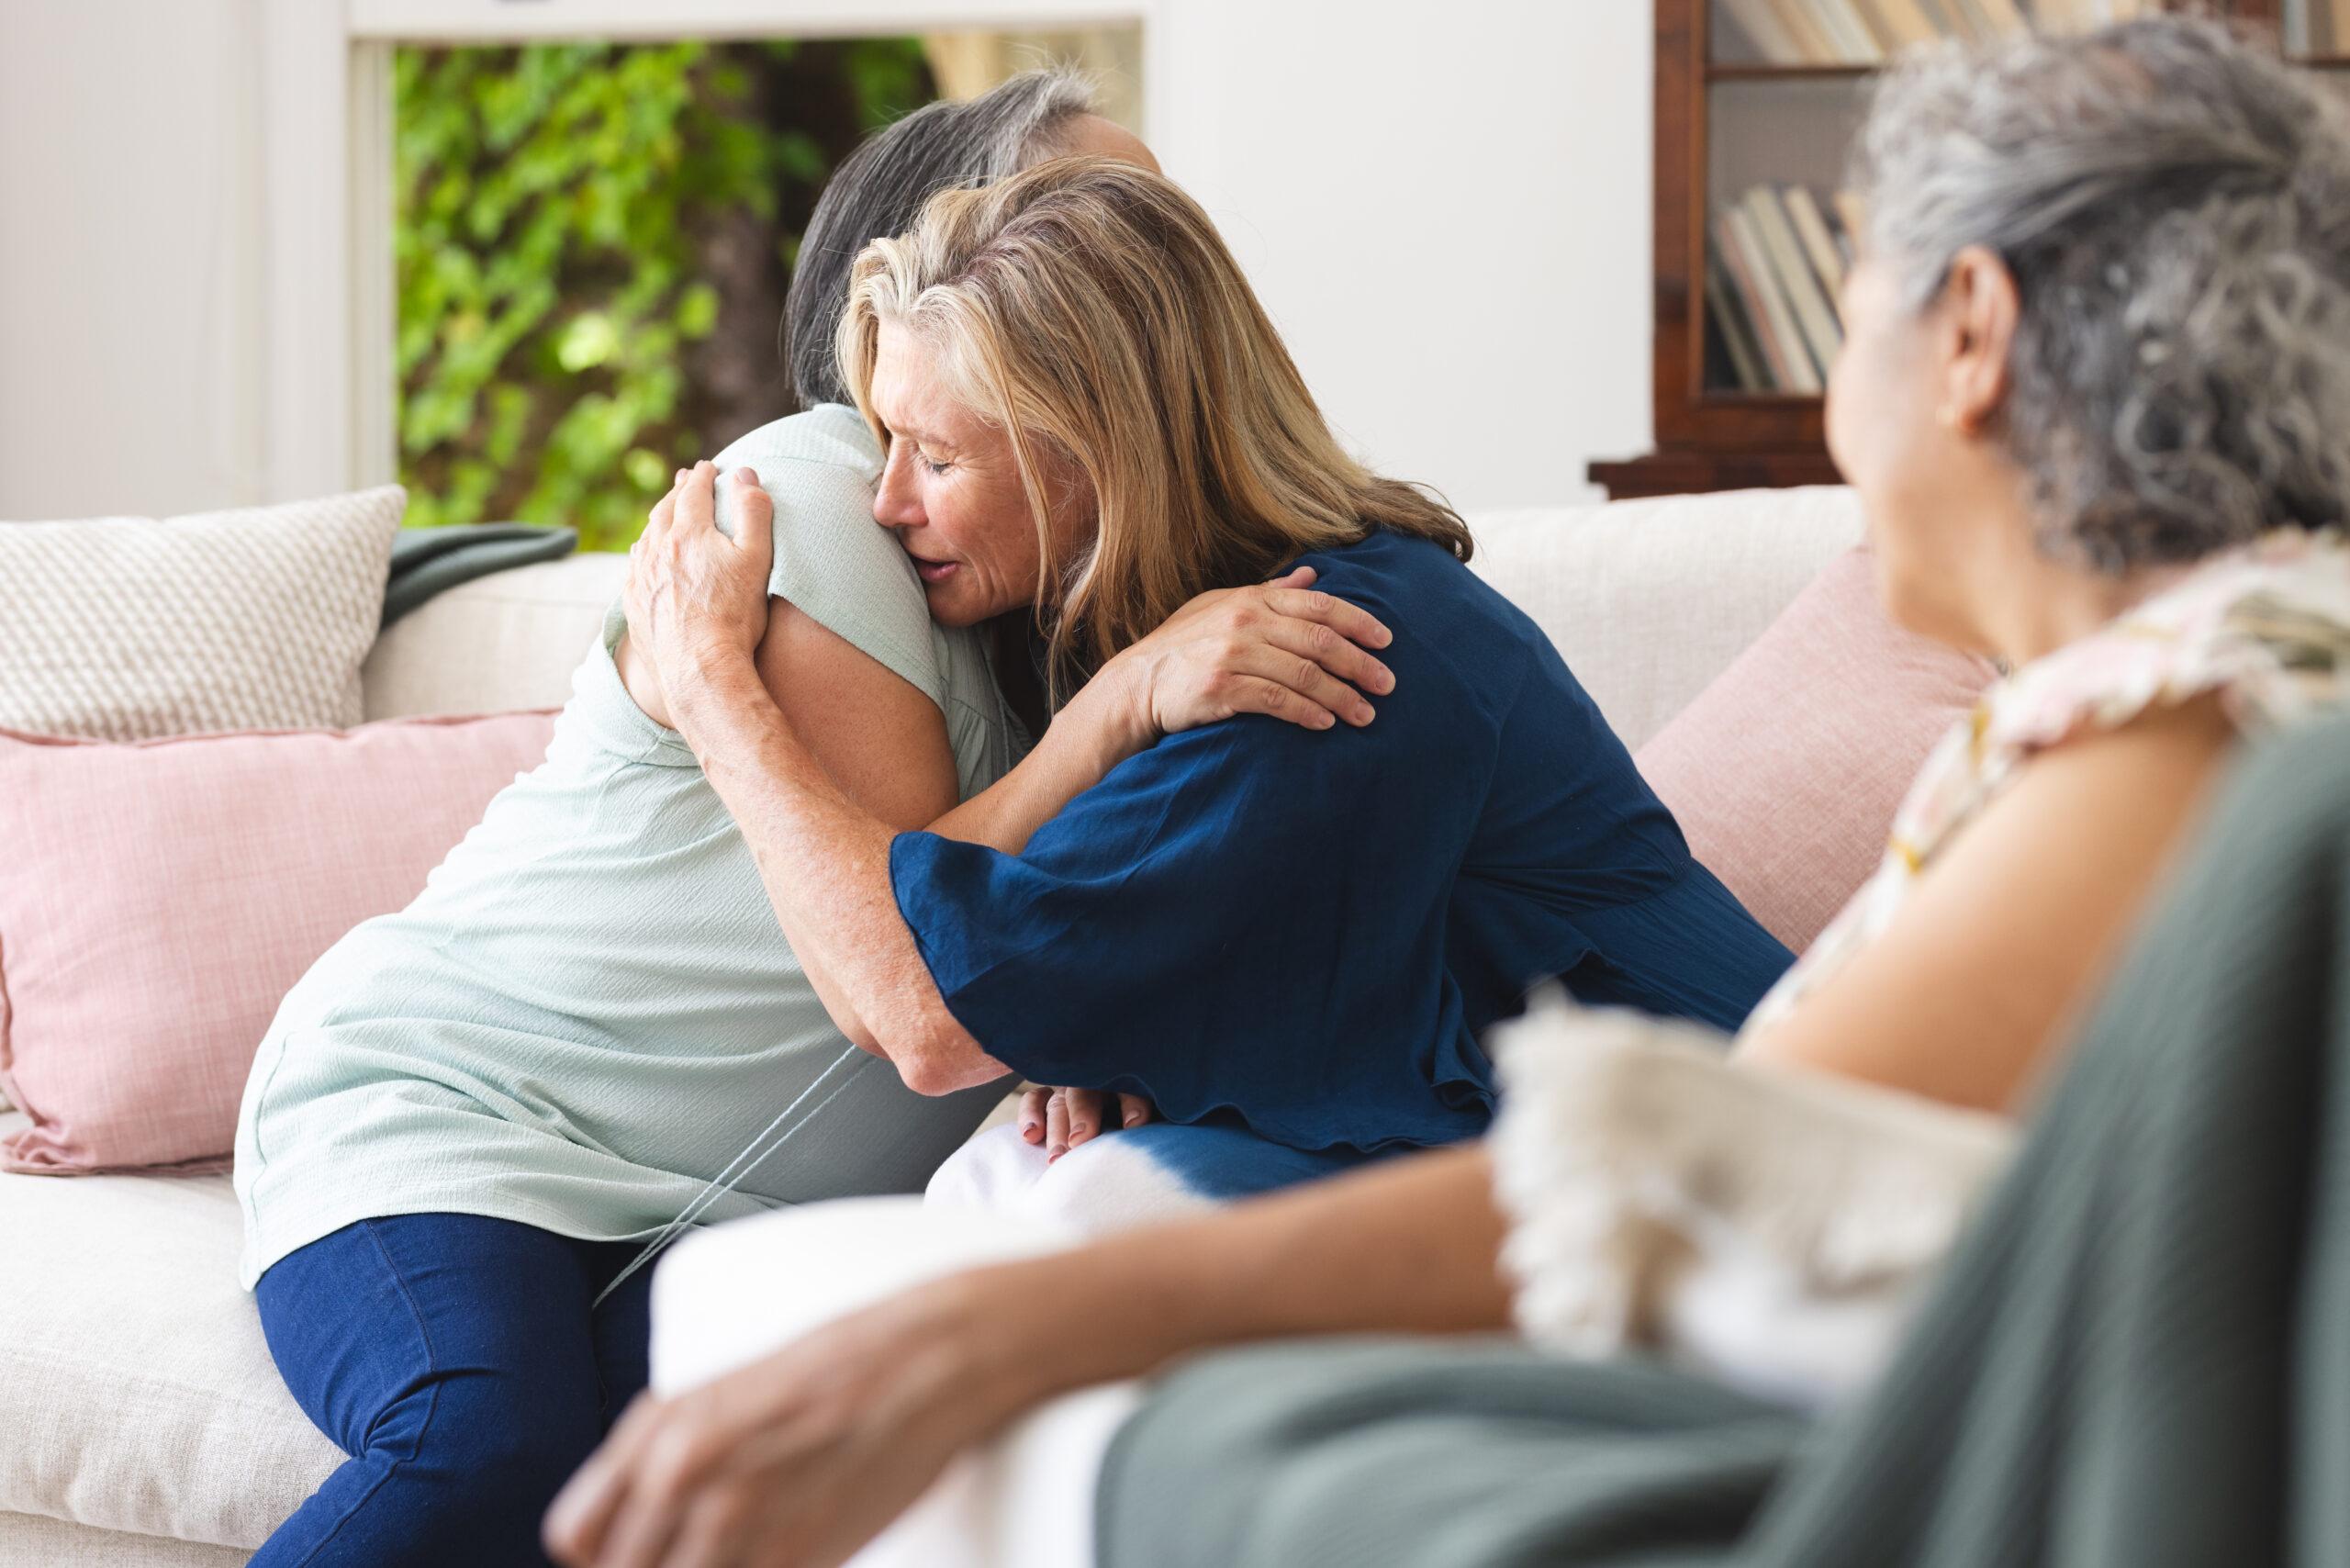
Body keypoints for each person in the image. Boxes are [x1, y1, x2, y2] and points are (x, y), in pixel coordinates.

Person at [543, 19, 2350, 1568]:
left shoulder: (2191, 727)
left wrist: (997, 1331)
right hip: (1811, 1330)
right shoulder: (2168, 707)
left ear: (1968, 331)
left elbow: (1712, 1175)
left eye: (1851, 297)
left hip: (1869, 1398)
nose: (1821, 404)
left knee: (1105, 1372)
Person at [229, 72, 1389, 1568]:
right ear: (959, 268)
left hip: (700, 1211)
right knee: (488, 1440)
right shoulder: (822, 502)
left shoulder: (1069, 587)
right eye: (1088, 217)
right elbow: (919, 958)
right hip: (448, 1116)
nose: (1148, 261)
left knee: (737, 1475)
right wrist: (1114, 717)